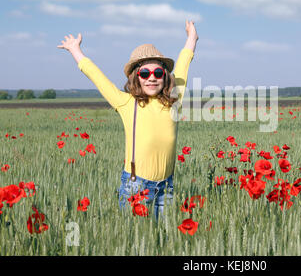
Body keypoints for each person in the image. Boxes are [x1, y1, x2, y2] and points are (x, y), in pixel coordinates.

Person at [58, 20, 198, 221]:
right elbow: (98, 78)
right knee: (134, 239)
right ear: (136, 77)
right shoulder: (126, 103)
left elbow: (183, 66)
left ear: (166, 77)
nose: (152, 78)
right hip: (136, 186)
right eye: (145, 73)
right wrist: (75, 50)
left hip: (166, 186)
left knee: (163, 241)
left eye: (158, 73)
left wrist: (191, 38)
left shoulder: (174, 100)